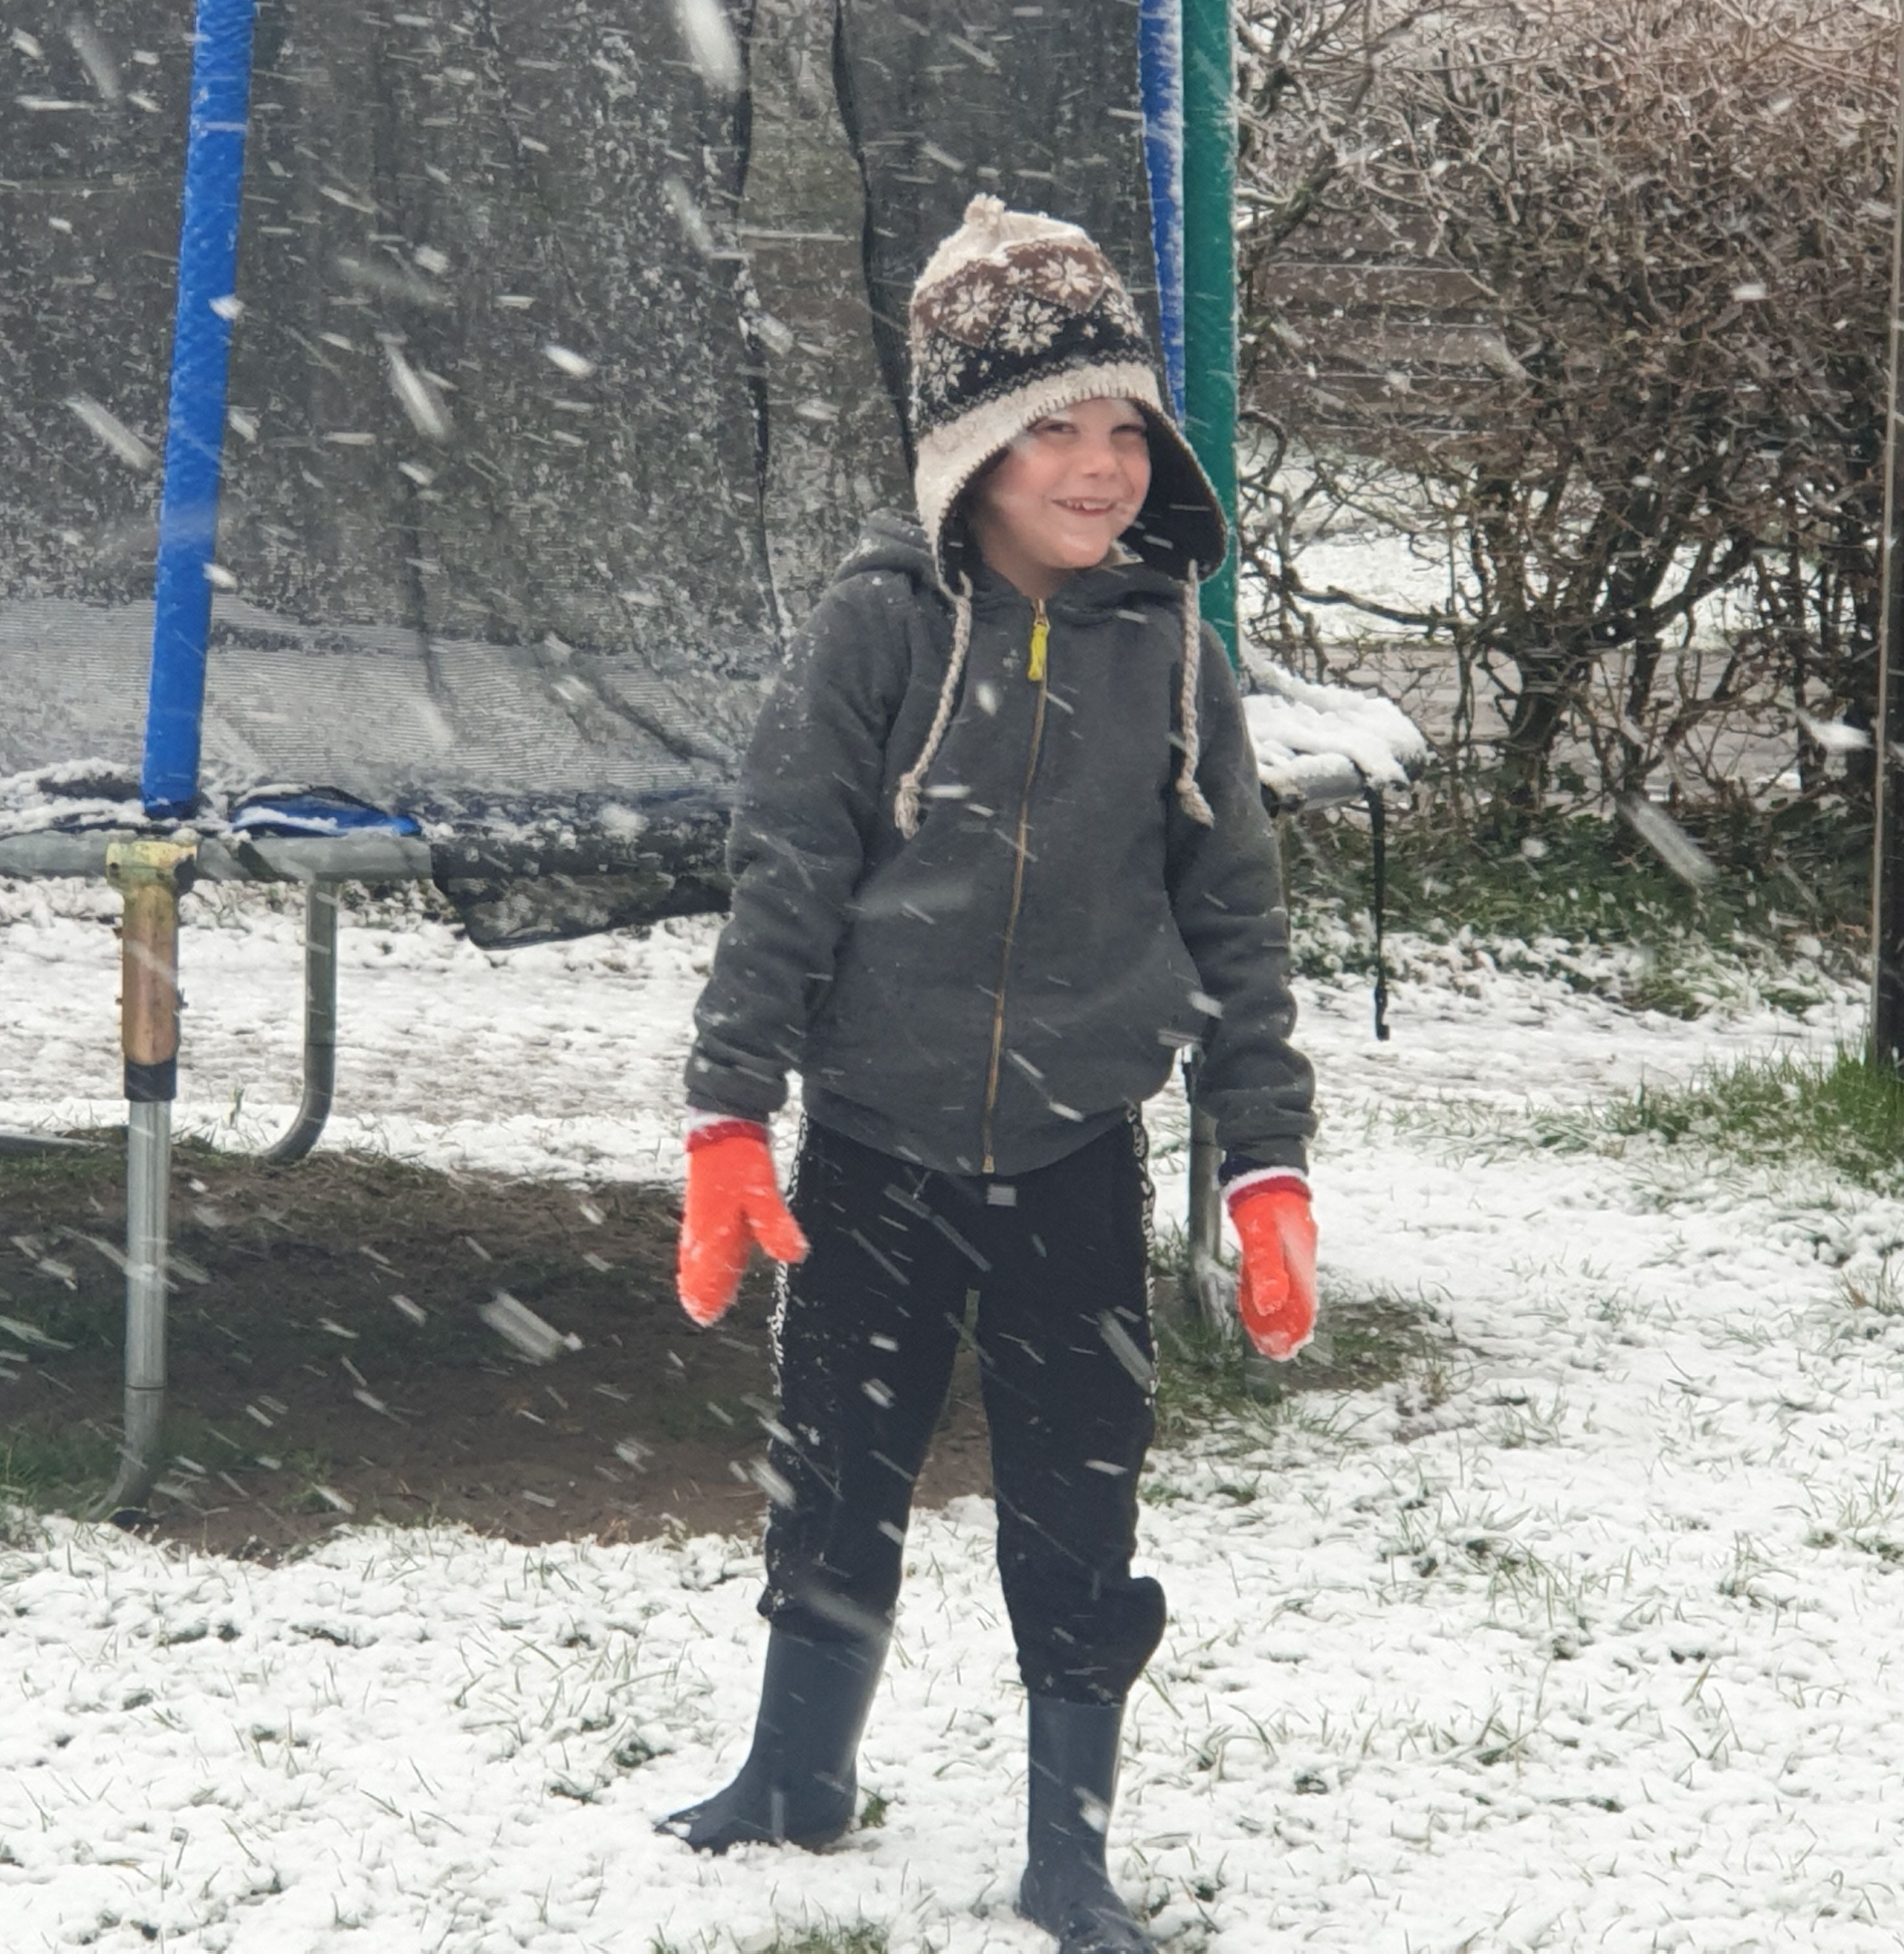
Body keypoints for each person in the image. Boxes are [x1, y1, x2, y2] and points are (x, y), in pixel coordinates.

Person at [659, 196, 1320, 1954]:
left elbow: (1236, 921)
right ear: (969, 448)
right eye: (1054, 427)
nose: (1100, 465)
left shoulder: (1174, 653)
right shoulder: (877, 634)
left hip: (1074, 1156)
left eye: (1122, 425)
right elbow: (785, 875)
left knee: (1077, 1492)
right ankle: (797, 1771)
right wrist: (732, 1113)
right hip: (874, 1144)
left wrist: (1267, 1168)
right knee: (839, 1467)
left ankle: (1070, 1846)